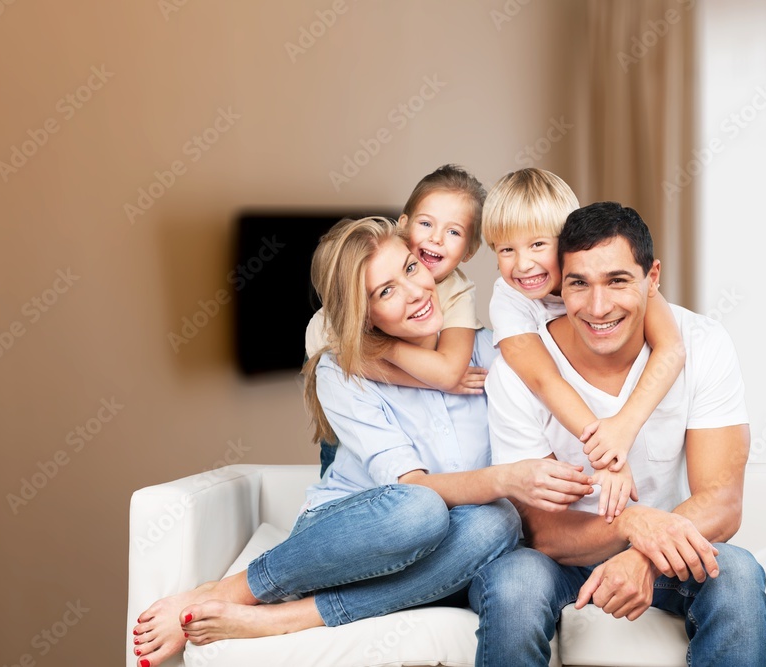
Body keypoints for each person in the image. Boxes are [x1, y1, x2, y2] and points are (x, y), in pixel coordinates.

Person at [131, 216, 593, 667]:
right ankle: (224, 592)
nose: (415, 293)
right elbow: (415, 488)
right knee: (421, 508)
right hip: (354, 537)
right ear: (364, 313)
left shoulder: (493, 350)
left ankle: (292, 618)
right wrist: (504, 478)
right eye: (385, 292)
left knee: (500, 523)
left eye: (411, 269)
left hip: (457, 550)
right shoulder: (343, 372)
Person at [471, 202, 766, 666]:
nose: (598, 307)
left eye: (617, 281)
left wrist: (645, 555)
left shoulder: (702, 343)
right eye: (579, 284)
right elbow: (542, 530)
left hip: (667, 547)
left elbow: (723, 501)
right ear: (558, 285)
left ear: (652, 279)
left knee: (736, 574)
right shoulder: (517, 372)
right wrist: (631, 522)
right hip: (560, 559)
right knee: (515, 582)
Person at [482, 169, 687, 519]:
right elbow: (544, 379)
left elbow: (672, 349)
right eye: (506, 249)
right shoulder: (509, 300)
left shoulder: (613, 272)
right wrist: (607, 454)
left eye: (537, 244)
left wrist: (624, 427)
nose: (523, 263)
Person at [305, 164, 488, 475]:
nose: (436, 238)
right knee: (341, 467)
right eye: (426, 223)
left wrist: (380, 348)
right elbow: (341, 361)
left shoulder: (457, 291)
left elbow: (447, 372)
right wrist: (388, 352)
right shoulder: (338, 312)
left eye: (454, 231)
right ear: (404, 226)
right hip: (348, 433)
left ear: (469, 252)